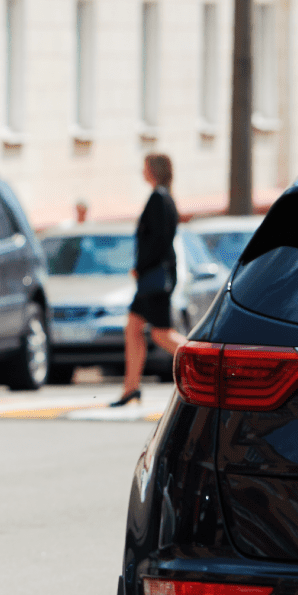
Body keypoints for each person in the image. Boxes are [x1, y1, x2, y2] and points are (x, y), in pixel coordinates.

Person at [112, 153, 185, 407]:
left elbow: (158, 241)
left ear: (152, 170)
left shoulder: (159, 198)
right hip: (152, 278)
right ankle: (130, 388)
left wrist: (140, 267)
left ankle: (204, 364)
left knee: (162, 335)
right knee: (133, 328)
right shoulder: (162, 197)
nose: (141, 171)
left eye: (144, 167)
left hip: (154, 278)